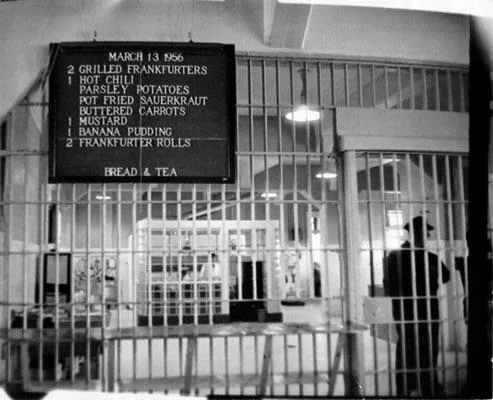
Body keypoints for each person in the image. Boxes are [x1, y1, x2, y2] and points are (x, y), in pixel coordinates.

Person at [383, 216, 450, 396]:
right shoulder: (430, 258)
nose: (425, 236)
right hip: (427, 309)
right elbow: (446, 276)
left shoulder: (394, 257)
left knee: (407, 348)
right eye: (424, 232)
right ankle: (428, 385)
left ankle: (406, 387)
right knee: (427, 348)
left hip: (405, 311)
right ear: (416, 234)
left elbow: (388, 287)